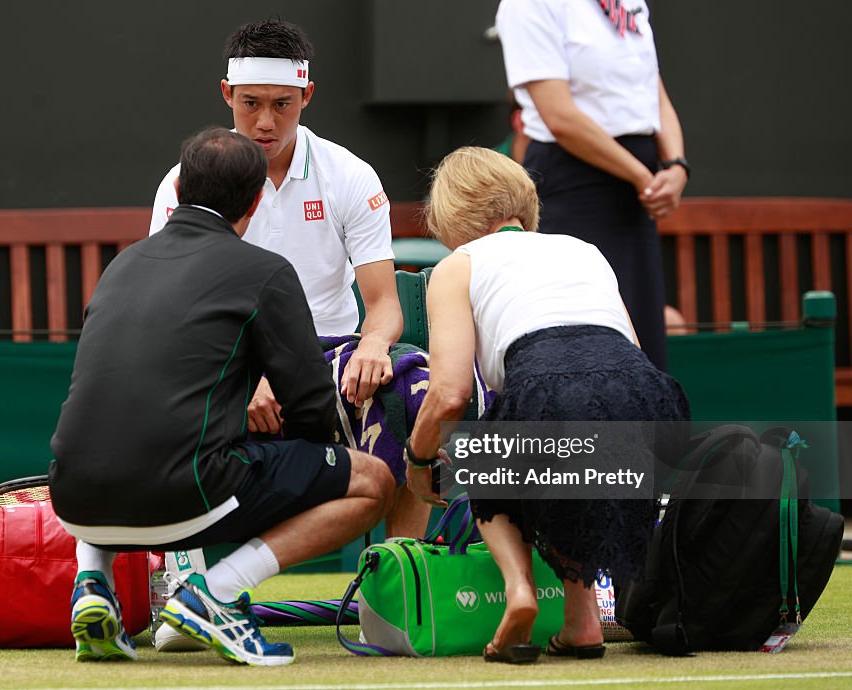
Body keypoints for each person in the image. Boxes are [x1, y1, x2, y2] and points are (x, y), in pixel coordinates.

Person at [50, 127, 394, 666]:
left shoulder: (121, 265)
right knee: (371, 481)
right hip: (181, 496)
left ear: (181, 187)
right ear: (256, 202)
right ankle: (216, 593)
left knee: (127, 447)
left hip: (71, 500)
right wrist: (306, 469)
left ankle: (92, 583)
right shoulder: (266, 272)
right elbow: (309, 407)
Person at [404, 147, 689, 663]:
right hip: (647, 399)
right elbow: (630, 355)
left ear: (450, 215)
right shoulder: (585, 249)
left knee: (481, 455)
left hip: (547, 385)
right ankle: (582, 626)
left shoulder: (457, 266)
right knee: (563, 458)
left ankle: (519, 591)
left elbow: (448, 394)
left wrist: (419, 460)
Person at [150, 20, 429, 538]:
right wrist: (243, 377)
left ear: (308, 96)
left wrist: (374, 343)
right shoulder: (185, 180)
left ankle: (396, 591)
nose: (265, 121)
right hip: (225, 368)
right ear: (226, 94)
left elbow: (383, 303)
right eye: (250, 103)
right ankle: (181, 584)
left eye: (284, 104)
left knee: (417, 394)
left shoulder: (349, 175)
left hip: (329, 362)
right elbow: (175, 311)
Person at [495, 0, 688, 372]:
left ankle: (649, 431)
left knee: (644, 340)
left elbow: (653, 89)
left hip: (635, 191)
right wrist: (642, 177)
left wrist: (677, 165)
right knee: (589, 341)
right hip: (574, 184)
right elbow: (559, 116)